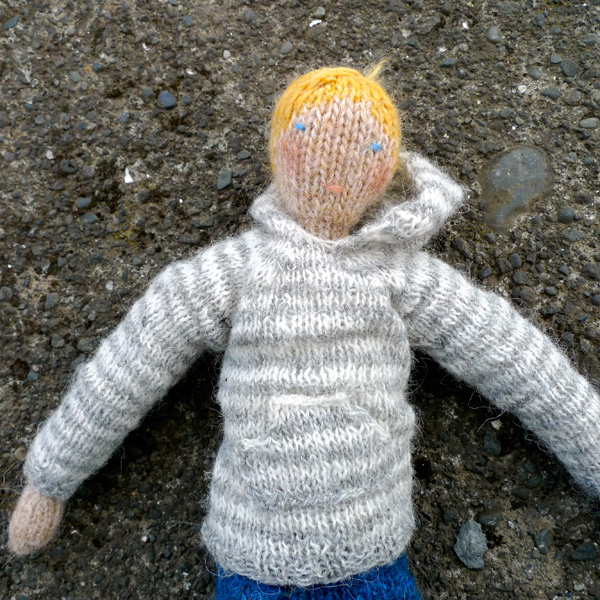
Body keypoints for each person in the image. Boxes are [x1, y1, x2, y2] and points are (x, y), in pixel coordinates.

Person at [9, 66, 600, 599]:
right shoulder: (234, 272)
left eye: (369, 150)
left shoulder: (401, 275)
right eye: (306, 138)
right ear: (278, 150)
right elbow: (131, 363)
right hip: (254, 549)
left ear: (385, 170)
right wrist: (53, 475)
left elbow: (513, 356)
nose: (334, 171)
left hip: (371, 544)